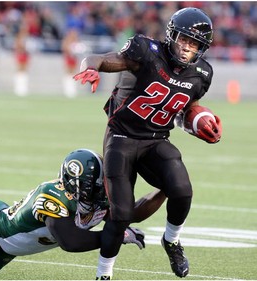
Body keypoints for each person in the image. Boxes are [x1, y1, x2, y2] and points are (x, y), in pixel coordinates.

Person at [73, 7, 222, 279]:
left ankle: (172, 240)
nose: (188, 47)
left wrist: (197, 123)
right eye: (184, 39)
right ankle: (104, 274)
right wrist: (91, 68)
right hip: (121, 137)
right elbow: (100, 58)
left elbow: (183, 110)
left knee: (182, 190)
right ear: (171, 35)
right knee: (121, 214)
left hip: (155, 140)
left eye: (195, 43)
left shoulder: (201, 73)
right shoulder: (146, 51)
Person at [0, 136, 166, 280]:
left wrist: (166, 189)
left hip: (4, 250)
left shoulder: (97, 198)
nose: (103, 192)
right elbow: (71, 241)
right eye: (95, 186)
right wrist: (118, 235)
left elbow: (133, 210)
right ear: (78, 185)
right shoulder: (54, 196)